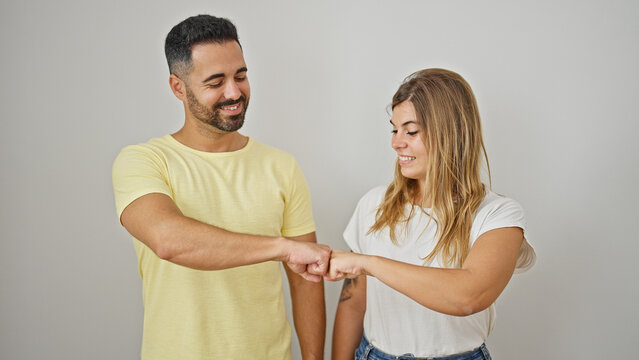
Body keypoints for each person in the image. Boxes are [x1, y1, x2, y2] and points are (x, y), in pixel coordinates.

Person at [112, 15, 328, 360]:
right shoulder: (143, 161)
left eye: (240, 76)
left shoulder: (281, 166)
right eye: (216, 82)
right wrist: (283, 248)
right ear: (178, 87)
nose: (234, 92)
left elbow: (305, 281)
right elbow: (169, 240)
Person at [327, 68, 536, 360]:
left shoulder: (497, 216)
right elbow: (352, 304)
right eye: (394, 129)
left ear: (451, 133)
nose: (396, 143)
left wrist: (368, 263)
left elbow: (469, 296)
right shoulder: (373, 204)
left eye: (411, 131)